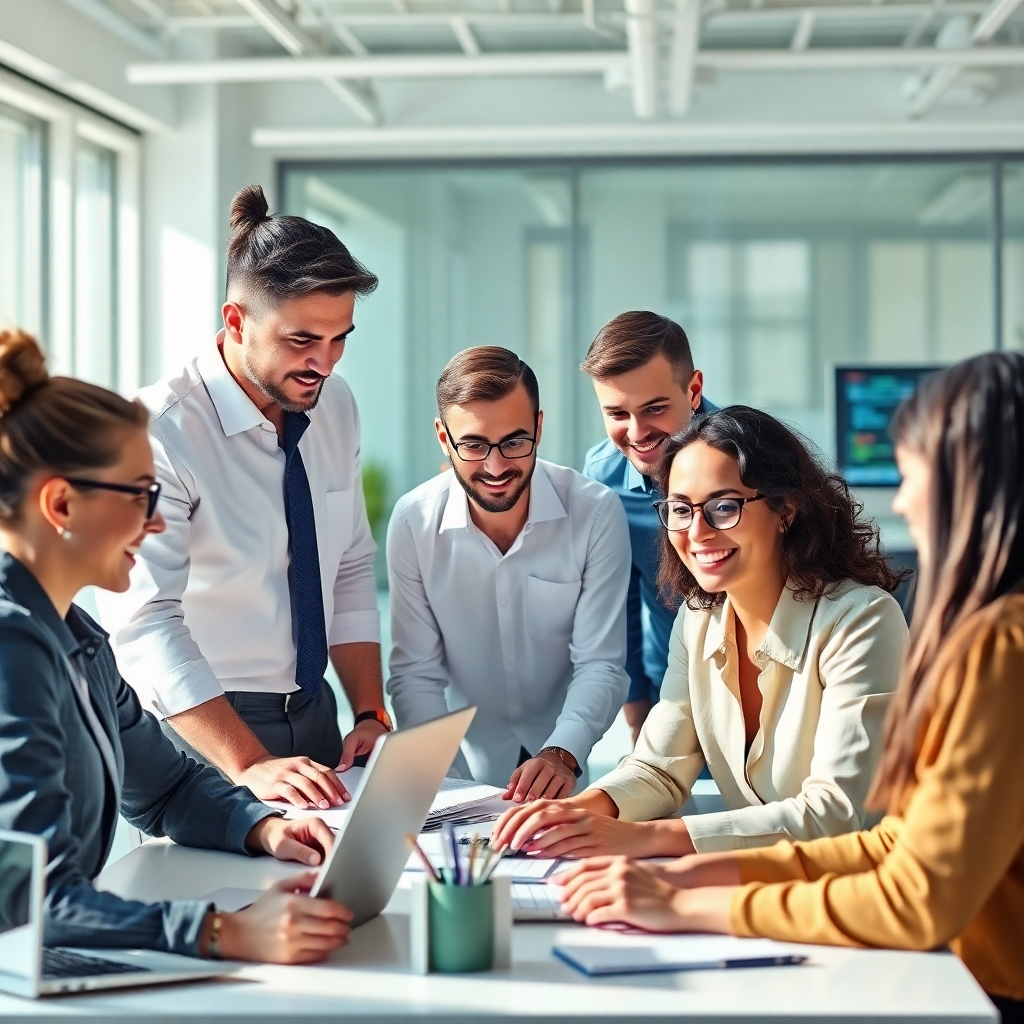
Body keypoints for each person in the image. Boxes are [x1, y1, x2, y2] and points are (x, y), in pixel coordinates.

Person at [554, 354, 1024, 1022]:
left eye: (914, 472)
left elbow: (909, 886)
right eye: (680, 510)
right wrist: (670, 864)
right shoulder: (702, 617)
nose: (907, 496)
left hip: (984, 988)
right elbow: (896, 844)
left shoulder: (988, 642)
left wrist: (686, 895)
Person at [0, 328, 352, 963]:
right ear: (60, 504)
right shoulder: (10, 647)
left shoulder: (76, 636)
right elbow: (34, 901)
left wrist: (264, 828)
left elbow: (165, 790)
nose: (158, 521)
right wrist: (223, 931)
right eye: (141, 495)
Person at [494, 406, 909, 857]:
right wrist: (579, 812)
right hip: (752, 890)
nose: (698, 531)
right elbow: (658, 768)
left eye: (724, 508)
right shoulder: (699, 619)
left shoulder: (863, 621)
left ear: (785, 511)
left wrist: (644, 838)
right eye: (680, 509)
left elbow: (833, 816)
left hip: (856, 898)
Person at [98, 185, 390, 811]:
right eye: (301, 340)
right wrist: (250, 762)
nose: (325, 363)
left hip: (317, 715)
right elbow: (142, 621)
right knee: (217, 900)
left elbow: (350, 563)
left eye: (340, 339)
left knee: (326, 896)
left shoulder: (332, 405)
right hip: (204, 727)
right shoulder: (159, 431)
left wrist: (367, 708)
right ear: (236, 321)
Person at [386, 346, 631, 801]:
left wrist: (562, 753)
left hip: (566, 763)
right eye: (474, 445)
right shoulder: (412, 522)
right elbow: (416, 675)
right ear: (444, 438)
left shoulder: (595, 513)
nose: (496, 467)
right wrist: (451, 790)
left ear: (539, 427)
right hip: (460, 763)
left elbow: (600, 663)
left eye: (514, 442)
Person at [581, 312, 716, 743]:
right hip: (672, 695)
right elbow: (619, 603)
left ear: (693, 390)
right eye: (617, 413)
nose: (637, 433)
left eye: (655, 408)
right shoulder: (602, 477)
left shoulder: (758, 457)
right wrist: (639, 718)